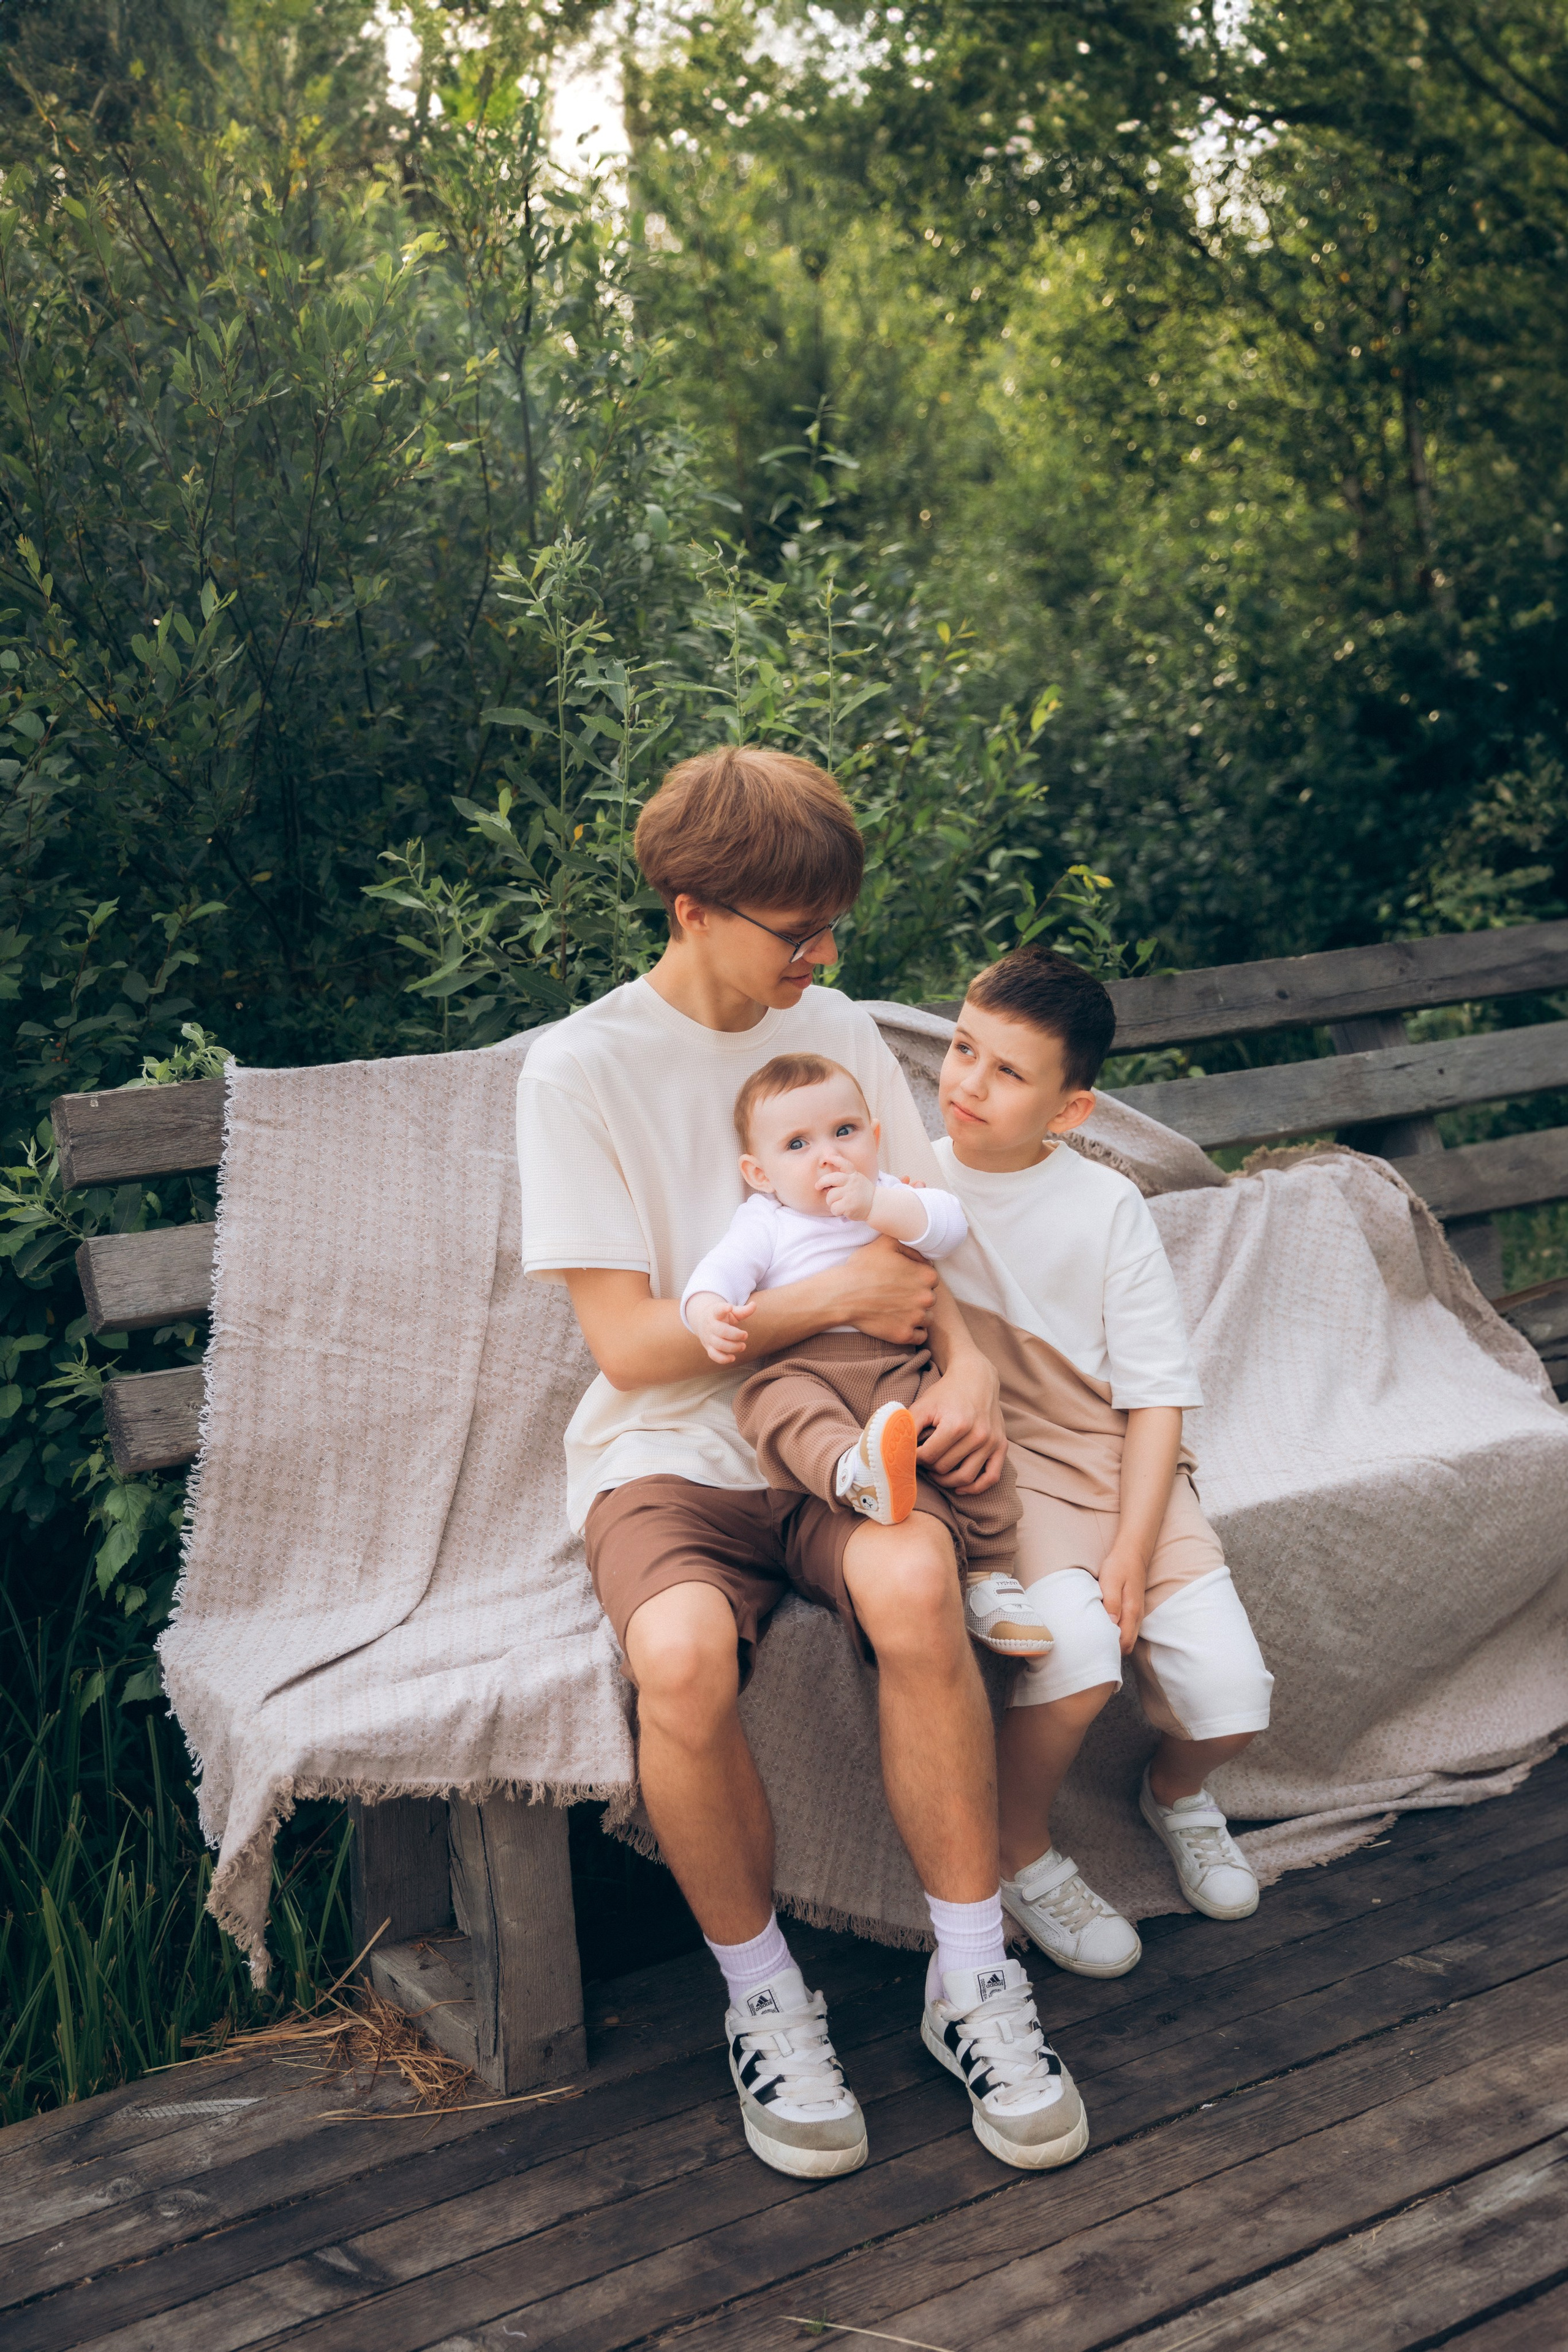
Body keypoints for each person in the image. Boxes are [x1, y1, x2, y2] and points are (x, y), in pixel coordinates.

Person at [517, 746, 1088, 2181]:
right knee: (678, 1661)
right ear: (691, 908)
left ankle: (972, 1978)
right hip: (666, 1452)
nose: (822, 955)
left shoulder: (828, 1026)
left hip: (861, 1425)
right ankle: (766, 1999)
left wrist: (965, 1369)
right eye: (795, 930)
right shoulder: (579, 1068)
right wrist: (822, 1300)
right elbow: (630, 1343)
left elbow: (918, 1240)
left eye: (831, 925)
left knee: (915, 1586)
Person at [933, 945, 1275, 1978]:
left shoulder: (1105, 1203)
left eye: (1007, 1072)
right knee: (1077, 1657)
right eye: (962, 1048)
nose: (968, 1083)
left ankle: (1175, 1794)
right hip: (1012, 1473)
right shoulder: (908, 1183)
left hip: (1126, 1463)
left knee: (1234, 1695)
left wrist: (1132, 1546)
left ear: (1070, 1108)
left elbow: (1157, 1394)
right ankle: (1018, 1851)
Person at [681, 1050, 1052, 1658]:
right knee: (774, 1405)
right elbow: (718, 1272)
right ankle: (851, 1472)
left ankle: (990, 1572)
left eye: (845, 1131)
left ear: (875, 1139)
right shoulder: (765, 1222)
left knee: (968, 1449)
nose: (829, 1155)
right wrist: (706, 1312)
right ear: (760, 1173)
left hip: (899, 1368)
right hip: (806, 1367)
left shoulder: (889, 1195)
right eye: (797, 1144)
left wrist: (875, 1205)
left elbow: (948, 1226)